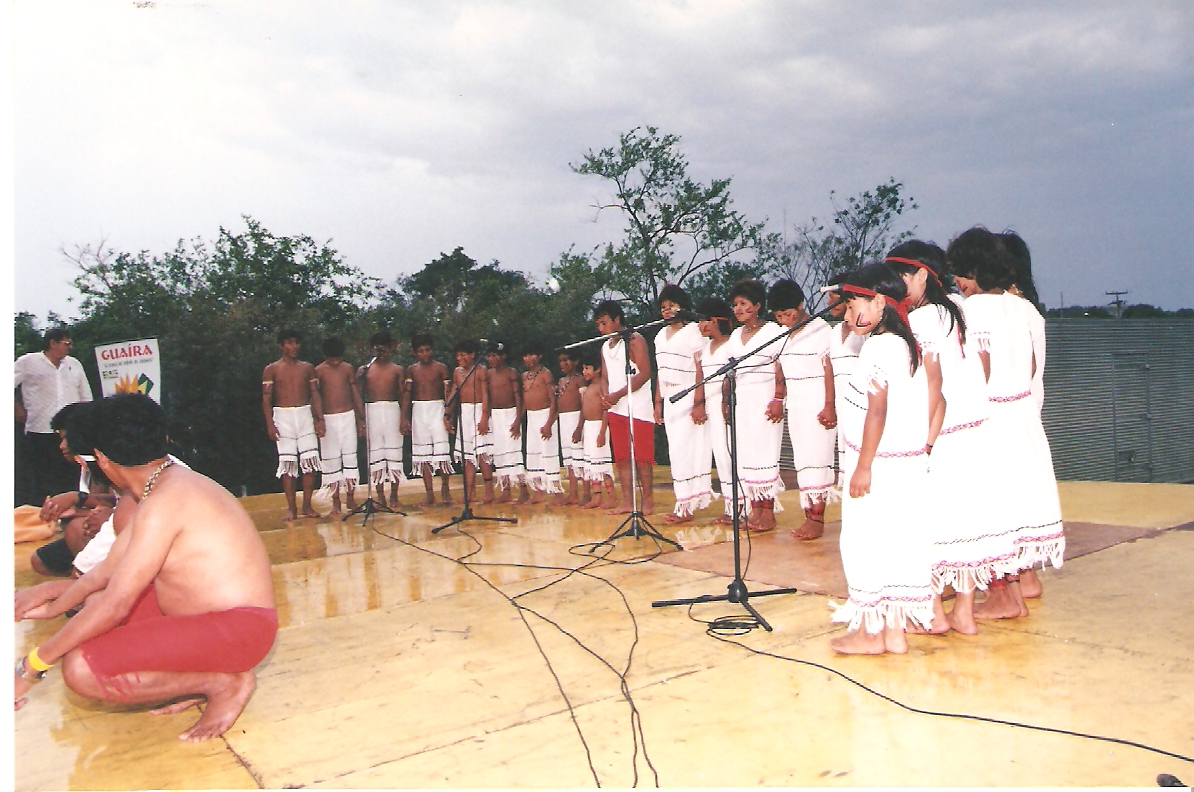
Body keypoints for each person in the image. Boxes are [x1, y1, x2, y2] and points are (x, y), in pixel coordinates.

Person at [14, 394, 278, 743]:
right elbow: (107, 572)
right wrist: (52, 603)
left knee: (81, 668)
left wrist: (30, 668)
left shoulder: (164, 501)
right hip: (208, 619)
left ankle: (222, 682)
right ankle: (202, 677)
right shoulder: (160, 489)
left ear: (104, 460)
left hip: (239, 631)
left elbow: (117, 602)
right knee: (91, 611)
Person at [886, 242, 1006, 635]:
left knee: (931, 522)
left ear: (922, 276)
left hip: (941, 433)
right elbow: (983, 366)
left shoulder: (920, 321)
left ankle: (934, 612)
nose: (894, 285)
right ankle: (964, 613)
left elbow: (929, 384)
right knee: (964, 522)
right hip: (973, 428)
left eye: (900, 276)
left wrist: (924, 440)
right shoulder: (959, 311)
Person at [948, 228, 1064, 620]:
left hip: (989, 420)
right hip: (1022, 416)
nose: (958, 283)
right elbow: (1034, 367)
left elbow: (971, 372)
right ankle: (1020, 583)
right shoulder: (1025, 308)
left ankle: (1002, 596)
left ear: (975, 270)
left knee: (989, 508)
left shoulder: (968, 311)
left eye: (960, 273)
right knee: (1017, 504)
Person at [831, 262, 934, 655]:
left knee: (866, 542)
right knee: (895, 543)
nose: (849, 310)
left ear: (877, 302)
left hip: (878, 464)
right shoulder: (904, 342)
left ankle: (870, 635)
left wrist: (863, 466)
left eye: (854, 301)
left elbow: (877, 410)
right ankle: (894, 632)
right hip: (902, 464)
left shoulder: (878, 345)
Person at [770, 279, 838, 539]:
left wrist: (829, 405)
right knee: (803, 462)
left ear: (800, 305)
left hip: (818, 400)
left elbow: (828, 368)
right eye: (779, 316)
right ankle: (808, 513)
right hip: (796, 403)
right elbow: (780, 369)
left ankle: (817, 519)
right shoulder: (784, 335)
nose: (785, 319)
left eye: (788, 313)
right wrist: (779, 397)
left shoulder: (821, 329)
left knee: (818, 459)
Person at [721, 280, 786, 532]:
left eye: (743, 304)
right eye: (735, 304)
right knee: (747, 454)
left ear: (757, 306)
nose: (737, 309)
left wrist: (779, 397)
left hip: (765, 397)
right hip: (743, 400)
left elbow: (781, 364)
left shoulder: (773, 330)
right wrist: (726, 401)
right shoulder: (736, 335)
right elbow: (729, 370)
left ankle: (768, 513)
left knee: (765, 452)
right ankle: (755, 510)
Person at [31, 403, 115, 577]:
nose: (62, 446)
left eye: (66, 438)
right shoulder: (87, 466)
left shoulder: (115, 464)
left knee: (76, 529)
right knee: (40, 560)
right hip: (110, 527)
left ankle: (91, 582)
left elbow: (125, 503)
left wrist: (77, 499)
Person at [653, 284, 713, 524]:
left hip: (688, 397)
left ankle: (688, 505)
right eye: (663, 307)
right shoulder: (659, 336)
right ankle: (682, 502)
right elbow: (660, 371)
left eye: (672, 306)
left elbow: (701, 369)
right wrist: (658, 402)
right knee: (676, 452)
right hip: (669, 399)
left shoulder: (694, 332)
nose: (667, 311)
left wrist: (699, 402)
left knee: (688, 450)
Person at [15, 327, 94, 505]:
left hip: (70, 434)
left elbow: (86, 397)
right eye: (67, 343)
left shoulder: (74, 364)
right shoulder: (28, 362)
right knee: (41, 481)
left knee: (71, 480)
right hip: (40, 431)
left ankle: (68, 518)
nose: (70, 347)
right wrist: (16, 410)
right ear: (53, 343)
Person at [595, 300, 655, 516]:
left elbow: (644, 374)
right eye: (598, 325)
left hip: (637, 407)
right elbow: (605, 376)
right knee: (621, 457)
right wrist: (605, 396)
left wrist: (617, 394)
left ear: (617, 320)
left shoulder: (634, 340)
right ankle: (628, 501)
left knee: (642, 457)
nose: (601, 329)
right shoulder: (604, 346)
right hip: (615, 408)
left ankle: (648, 499)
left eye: (604, 323)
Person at [262, 329, 324, 521]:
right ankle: (292, 508)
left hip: (305, 414)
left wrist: (319, 419)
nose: (293, 347)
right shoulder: (271, 369)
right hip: (283, 416)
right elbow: (266, 399)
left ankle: (307, 505)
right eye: (289, 343)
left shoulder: (307, 368)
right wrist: (270, 424)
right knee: (288, 465)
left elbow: (315, 394)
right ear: (280, 346)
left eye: (296, 342)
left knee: (310, 463)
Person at [694, 297, 735, 525]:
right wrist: (698, 403)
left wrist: (726, 400)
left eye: (704, 321)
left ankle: (743, 505)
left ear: (717, 321)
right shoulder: (704, 349)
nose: (700, 326)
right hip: (711, 407)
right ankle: (731, 506)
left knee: (731, 455)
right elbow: (700, 377)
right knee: (720, 456)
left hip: (728, 407)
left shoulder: (732, 344)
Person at [314, 337, 366, 516]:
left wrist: (361, 417)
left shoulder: (347, 369)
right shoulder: (319, 371)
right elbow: (316, 396)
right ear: (325, 356)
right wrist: (318, 419)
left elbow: (354, 393)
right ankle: (335, 501)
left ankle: (350, 497)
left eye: (338, 359)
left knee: (350, 457)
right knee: (331, 460)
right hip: (328, 419)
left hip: (347, 416)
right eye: (331, 359)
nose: (335, 363)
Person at [827, 271, 865, 488]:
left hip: (861, 400)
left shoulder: (864, 329)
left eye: (832, 297)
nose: (828, 303)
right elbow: (830, 370)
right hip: (842, 402)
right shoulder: (834, 332)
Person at [405, 334, 452, 506]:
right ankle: (429, 493)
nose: (424, 354)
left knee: (441, 451)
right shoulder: (411, 370)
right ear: (415, 353)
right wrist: (405, 417)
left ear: (432, 350)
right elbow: (407, 393)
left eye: (427, 350)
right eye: (420, 351)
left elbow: (448, 392)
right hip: (419, 411)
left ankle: (445, 489)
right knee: (423, 454)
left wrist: (448, 413)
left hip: (437, 409)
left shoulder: (441, 368)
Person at [447, 339, 493, 503]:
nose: (460, 358)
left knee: (482, 453)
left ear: (472, 355)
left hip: (479, 410)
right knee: (468, 456)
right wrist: (447, 414)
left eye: (463, 354)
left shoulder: (481, 370)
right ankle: (470, 493)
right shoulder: (457, 372)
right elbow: (453, 393)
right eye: (458, 355)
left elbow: (485, 394)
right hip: (465, 412)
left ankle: (489, 492)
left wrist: (484, 418)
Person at [520, 341, 562, 503]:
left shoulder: (546, 374)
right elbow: (524, 400)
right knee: (534, 454)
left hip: (545, 416)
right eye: (525, 355)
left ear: (540, 356)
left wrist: (549, 423)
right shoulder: (524, 376)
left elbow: (553, 400)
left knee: (548, 454)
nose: (527, 358)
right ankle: (538, 493)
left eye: (531, 354)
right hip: (531, 417)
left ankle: (557, 493)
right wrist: (519, 420)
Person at [485, 341, 524, 502]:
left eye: (495, 355)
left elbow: (518, 397)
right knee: (500, 453)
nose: (492, 359)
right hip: (496, 415)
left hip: (510, 413)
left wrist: (517, 419)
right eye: (489, 356)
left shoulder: (511, 372)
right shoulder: (489, 374)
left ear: (504, 356)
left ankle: (523, 490)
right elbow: (487, 397)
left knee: (514, 452)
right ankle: (505, 490)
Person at [576, 354, 615, 510]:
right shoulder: (588, 388)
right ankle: (597, 496)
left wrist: (602, 432)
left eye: (587, 368)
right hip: (589, 427)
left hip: (599, 426)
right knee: (592, 464)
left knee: (602, 463)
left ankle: (612, 496)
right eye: (583, 368)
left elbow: (606, 409)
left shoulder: (601, 386)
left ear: (598, 369)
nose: (584, 371)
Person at [556, 350, 585, 506]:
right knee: (569, 459)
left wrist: (579, 427)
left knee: (581, 458)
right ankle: (573, 493)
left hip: (576, 419)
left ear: (576, 361)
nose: (563, 364)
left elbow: (584, 403)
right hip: (564, 421)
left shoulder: (580, 380)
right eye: (561, 360)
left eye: (567, 360)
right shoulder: (561, 381)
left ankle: (587, 493)